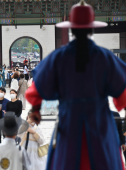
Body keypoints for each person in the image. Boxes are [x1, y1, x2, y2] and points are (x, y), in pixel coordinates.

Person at [25, 1, 126, 170]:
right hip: (100, 122)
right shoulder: (104, 57)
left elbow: (37, 89)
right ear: (92, 29)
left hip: (69, 121)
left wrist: (36, 109)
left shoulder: (58, 57)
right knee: (104, 161)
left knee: (67, 161)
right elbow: (122, 93)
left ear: (71, 29)